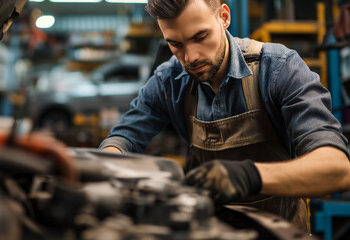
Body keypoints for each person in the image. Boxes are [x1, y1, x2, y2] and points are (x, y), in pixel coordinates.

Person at [99, 0, 350, 232]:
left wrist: (249, 176)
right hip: (207, 231)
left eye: (200, 36)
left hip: (279, 232)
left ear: (224, 17)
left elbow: (338, 168)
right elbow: (124, 138)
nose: (190, 57)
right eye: (175, 44)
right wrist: (104, 165)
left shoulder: (279, 69)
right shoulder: (168, 81)